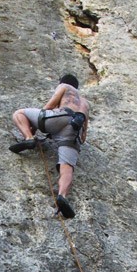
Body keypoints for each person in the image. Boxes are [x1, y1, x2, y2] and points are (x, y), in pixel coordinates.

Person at [10, 74, 89, 219]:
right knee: (67, 167)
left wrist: (36, 125)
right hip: (74, 131)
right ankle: (62, 196)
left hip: (60, 117)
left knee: (19, 113)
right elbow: (84, 136)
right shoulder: (85, 103)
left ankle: (29, 138)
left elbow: (50, 106)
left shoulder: (65, 87)